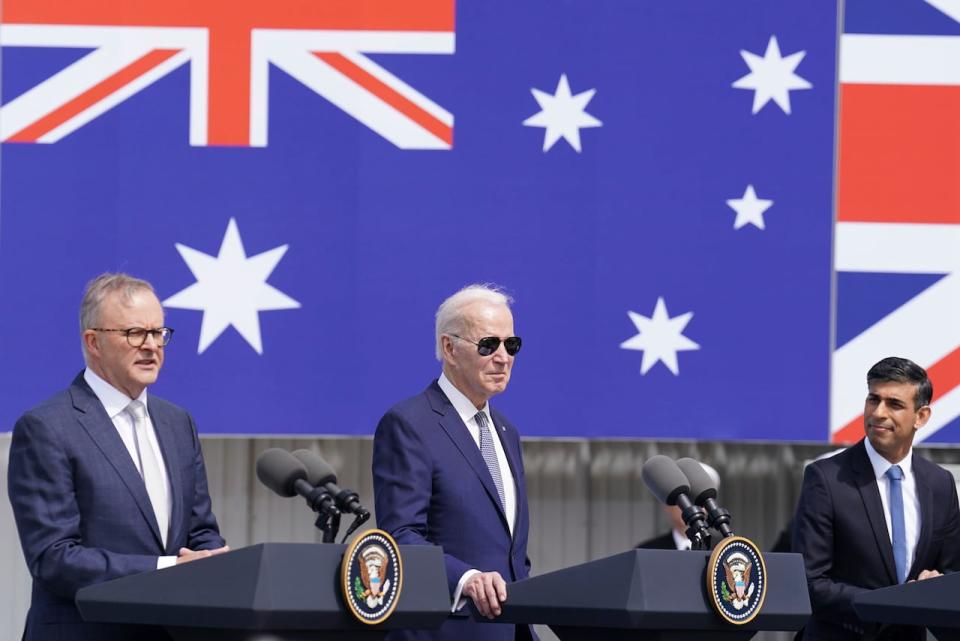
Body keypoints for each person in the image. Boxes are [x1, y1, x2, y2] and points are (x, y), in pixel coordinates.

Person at [8, 273, 228, 641]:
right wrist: (168, 569)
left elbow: (201, 530)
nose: (151, 346)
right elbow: (54, 558)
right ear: (93, 342)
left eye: (159, 333)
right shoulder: (46, 428)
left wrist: (214, 562)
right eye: (134, 333)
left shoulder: (178, 423)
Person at [372, 284, 534, 641]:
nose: (503, 357)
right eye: (488, 345)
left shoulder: (507, 431)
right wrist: (466, 579)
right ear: (449, 348)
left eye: (512, 345)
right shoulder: (409, 423)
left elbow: (510, 553)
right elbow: (400, 535)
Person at [792, 357, 960, 641]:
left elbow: (952, 575)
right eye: (873, 399)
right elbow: (809, 582)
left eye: (894, 404)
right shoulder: (825, 478)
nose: (878, 412)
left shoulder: (940, 484)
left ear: (921, 416)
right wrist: (891, 605)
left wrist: (937, 586)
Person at [638, 463, 720, 550]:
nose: (687, 506)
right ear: (667, 503)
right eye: (682, 498)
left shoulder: (723, 550)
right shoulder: (648, 551)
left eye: (695, 498)